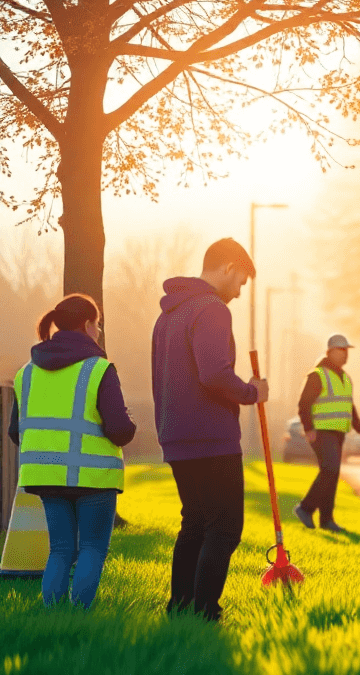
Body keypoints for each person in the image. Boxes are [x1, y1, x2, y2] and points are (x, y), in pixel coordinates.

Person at [152, 238, 268, 621]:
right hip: (212, 437)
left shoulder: (168, 314)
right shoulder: (212, 309)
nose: (238, 294)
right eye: (241, 283)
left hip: (176, 434)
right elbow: (214, 373)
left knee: (196, 522)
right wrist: (252, 392)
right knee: (226, 526)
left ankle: (180, 606)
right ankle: (205, 611)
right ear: (231, 267)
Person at [8, 294, 135, 608]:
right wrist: (130, 423)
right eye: (98, 324)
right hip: (93, 477)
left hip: (46, 477)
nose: (99, 331)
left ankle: (54, 615)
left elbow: (15, 432)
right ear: (87, 325)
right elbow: (119, 430)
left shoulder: (26, 373)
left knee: (61, 550)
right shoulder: (99, 370)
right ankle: (78, 614)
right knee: (92, 549)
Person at [292, 334, 360, 532]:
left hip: (338, 432)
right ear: (330, 351)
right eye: (341, 350)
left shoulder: (345, 378)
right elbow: (303, 404)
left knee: (332, 474)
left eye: (346, 350)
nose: (345, 354)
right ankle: (305, 508)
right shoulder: (317, 375)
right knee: (330, 470)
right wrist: (308, 429)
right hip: (321, 432)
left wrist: (359, 427)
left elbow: (349, 406)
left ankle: (327, 520)